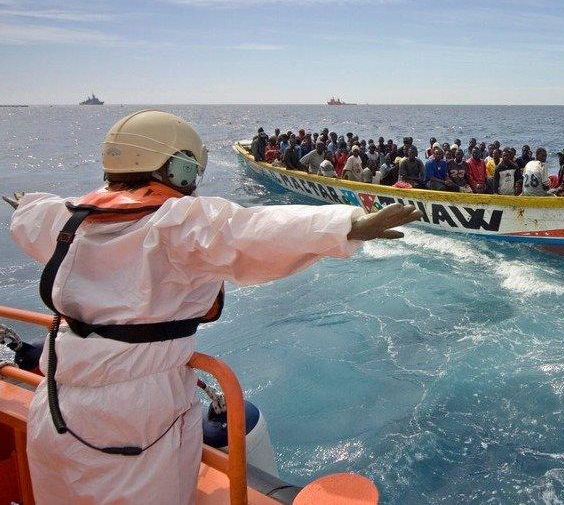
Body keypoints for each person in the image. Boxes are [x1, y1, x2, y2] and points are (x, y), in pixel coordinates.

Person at [2, 110, 420, 505]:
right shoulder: (174, 224)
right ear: (176, 168)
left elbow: (34, 217)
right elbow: (248, 231)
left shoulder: (67, 219)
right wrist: (344, 226)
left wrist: (25, 206)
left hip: (56, 403)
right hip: (134, 417)